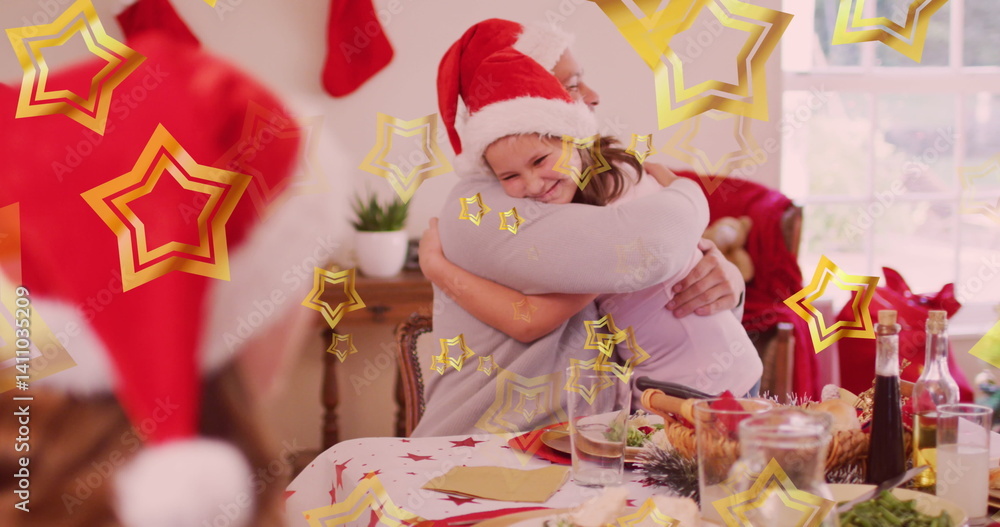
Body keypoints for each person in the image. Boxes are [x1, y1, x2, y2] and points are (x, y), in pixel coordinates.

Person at [411, 20, 748, 437]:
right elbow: (651, 249)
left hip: (581, 439)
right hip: (490, 441)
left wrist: (726, 279)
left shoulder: (568, 183)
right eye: (570, 86)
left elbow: (657, 270)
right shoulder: (488, 205)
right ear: (526, 96)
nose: (590, 96)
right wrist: (687, 191)